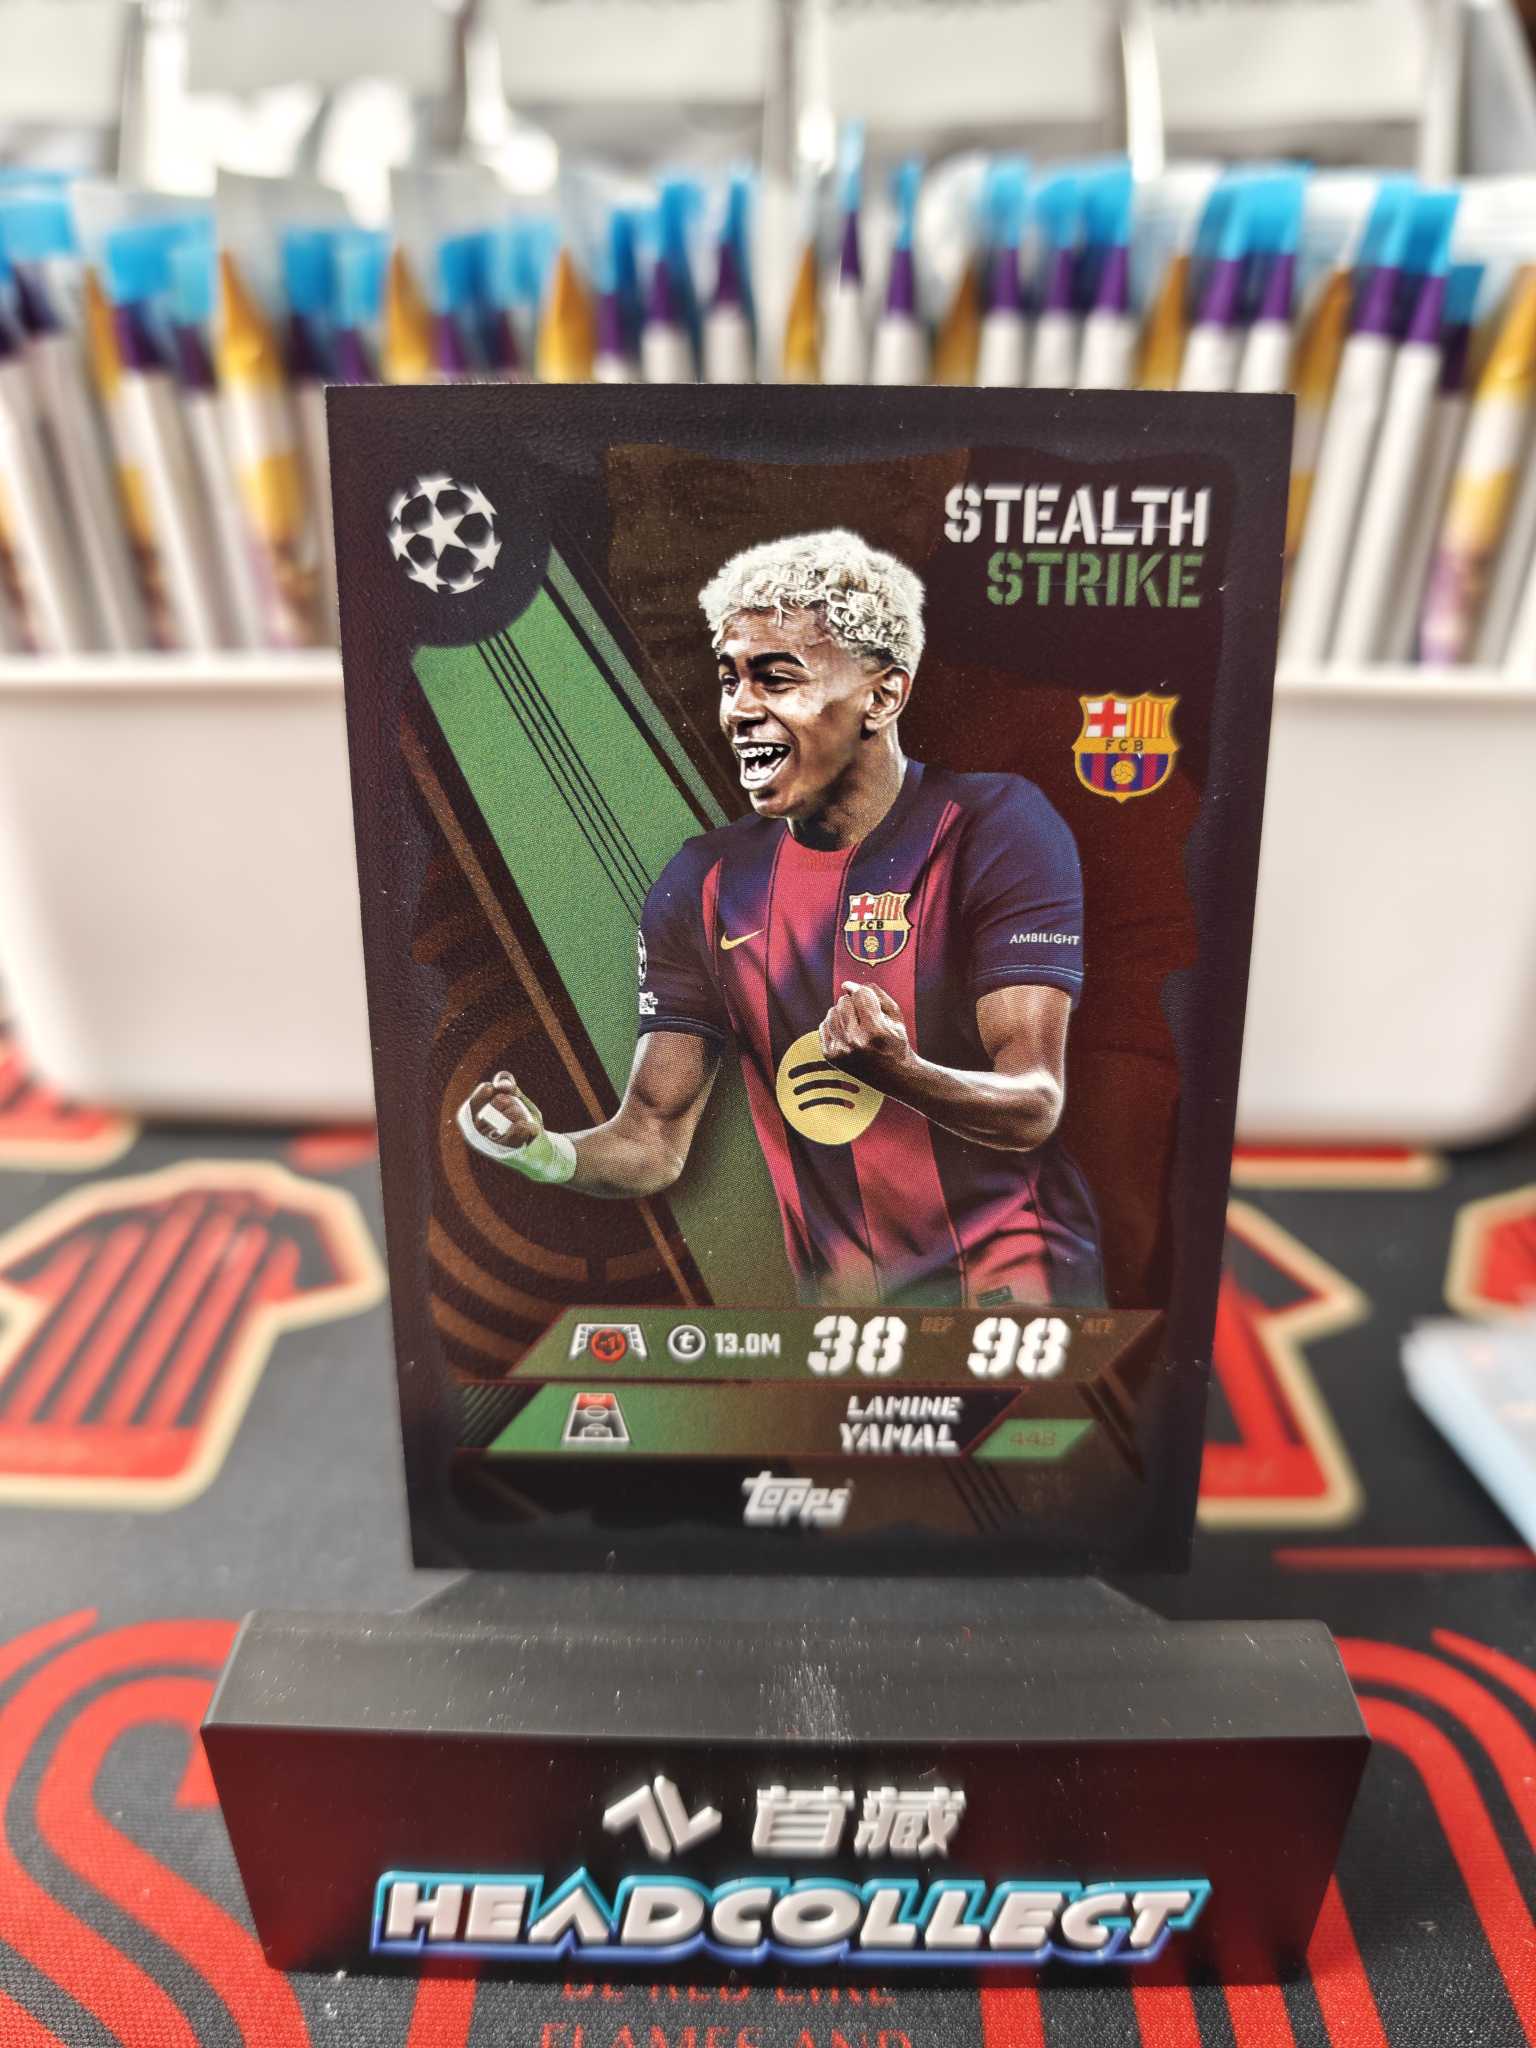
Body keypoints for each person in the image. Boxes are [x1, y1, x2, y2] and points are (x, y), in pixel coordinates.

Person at [459, 528, 1102, 1309]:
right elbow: (653, 1138)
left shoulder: (995, 828)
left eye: (776, 678)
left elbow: (1033, 1103)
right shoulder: (706, 881)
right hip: (840, 1319)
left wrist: (902, 1074)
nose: (739, 709)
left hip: (1013, 1292)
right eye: (730, 679)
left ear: (881, 697)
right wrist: (541, 1151)